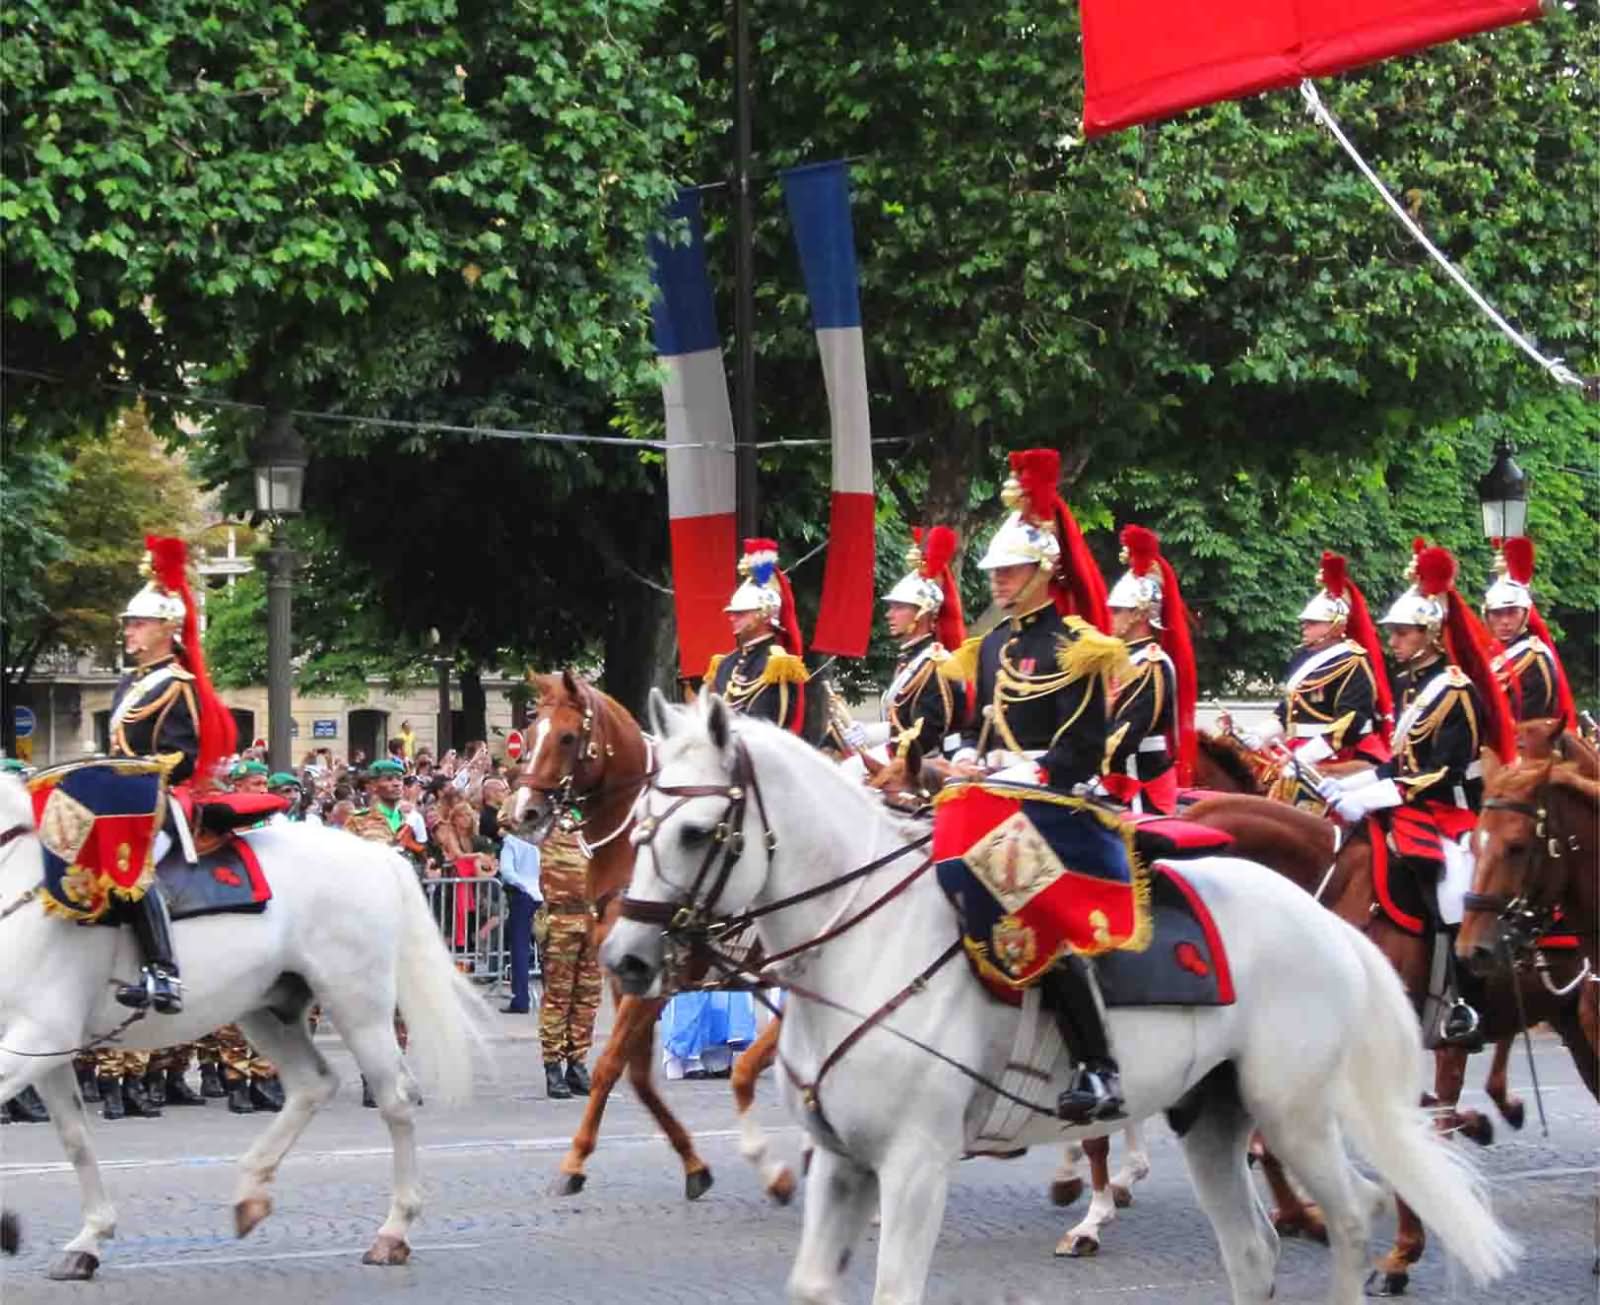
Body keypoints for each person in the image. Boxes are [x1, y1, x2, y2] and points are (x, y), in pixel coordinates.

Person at [944, 449, 1129, 1124]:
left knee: (1038, 907)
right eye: (992, 571)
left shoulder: (1077, 643)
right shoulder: (991, 645)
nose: (996, 581)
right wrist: (963, 752)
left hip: (1056, 802)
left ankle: (1095, 1063)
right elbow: (975, 725)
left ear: (1042, 571)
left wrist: (1026, 771)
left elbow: (1084, 747)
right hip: (989, 800)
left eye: (1009, 570)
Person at [1321, 542, 1517, 1046]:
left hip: (1454, 812)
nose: (1394, 641)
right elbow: (1399, 759)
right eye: (1392, 632)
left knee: (1456, 887)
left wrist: (1377, 795)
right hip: (1414, 807)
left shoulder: (1456, 690)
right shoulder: (1411, 685)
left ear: (1431, 633)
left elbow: (1446, 771)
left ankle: (1466, 1007)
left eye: (1404, 633)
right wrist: (1352, 784)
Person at [109, 536, 238, 1015]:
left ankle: (164, 972)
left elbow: (182, 756)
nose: (129, 631)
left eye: (138, 623)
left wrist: (131, 773)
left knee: (131, 871)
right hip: (119, 798)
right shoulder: (130, 682)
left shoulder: (177, 685)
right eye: (128, 623)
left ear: (166, 628)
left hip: (156, 801)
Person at [842, 526, 970, 762]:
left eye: (899, 607)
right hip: (904, 758)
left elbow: (926, 732)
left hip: (926, 764)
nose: (890, 615)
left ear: (922, 614)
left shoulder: (936, 663)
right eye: (891, 607)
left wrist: (874, 738)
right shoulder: (912, 659)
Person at [1099, 525, 1196, 815]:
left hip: (1139, 783)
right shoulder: (1122, 659)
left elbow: (1126, 734)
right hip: (1117, 778)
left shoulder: (1151, 663)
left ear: (1140, 614)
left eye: (1118, 610)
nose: (1111, 616)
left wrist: (1082, 764)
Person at [704, 538, 809, 733]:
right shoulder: (725, 663)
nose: (732, 618)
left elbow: (768, 726)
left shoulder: (778, 666)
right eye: (732, 613)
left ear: (764, 614)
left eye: (741, 613)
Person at [1483, 537, 1577, 727]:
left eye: (1512, 613)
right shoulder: (1487, 651)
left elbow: (1532, 720)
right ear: (1486, 616)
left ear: (1525, 614)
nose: (1505, 621)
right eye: (1497, 614)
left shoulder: (1533, 658)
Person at [537, 828, 601, 1100]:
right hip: (561, 923)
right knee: (558, 998)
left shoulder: (598, 831)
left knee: (587, 997)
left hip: (592, 922)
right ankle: (552, 1065)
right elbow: (510, 813)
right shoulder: (548, 827)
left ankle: (577, 1062)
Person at [496, 817, 543, 1015]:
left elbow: (507, 871)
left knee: (520, 949)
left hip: (522, 896)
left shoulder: (511, 842)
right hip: (539, 895)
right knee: (544, 947)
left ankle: (521, 999)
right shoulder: (539, 842)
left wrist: (522, 886)